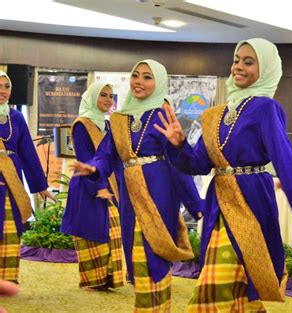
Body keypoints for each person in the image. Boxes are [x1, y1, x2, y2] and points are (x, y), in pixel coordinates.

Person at [154, 38, 292, 312]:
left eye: (249, 62)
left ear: (268, 69)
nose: (238, 66)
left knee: (217, 285)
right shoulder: (215, 115)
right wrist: (178, 145)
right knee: (236, 284)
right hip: (219, 208)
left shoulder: (265, 108)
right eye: (237, 60)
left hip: (250, 203)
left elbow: (285, 160)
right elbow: (199, 163)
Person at [70, 60, 204, 312]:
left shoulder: (162, 112)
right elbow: (106, 153)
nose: (139, 82)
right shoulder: (120, 118)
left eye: (147, 77)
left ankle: (153, 308)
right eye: (135, 75)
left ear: (160, 83)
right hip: (130, 192)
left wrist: (195, 203)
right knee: (135, 255)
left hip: (160, 190)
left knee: (154, 253)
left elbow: (177, 164)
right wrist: (94, 168)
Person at [61, 82, 124, 291]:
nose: (108, 100)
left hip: (107, 184)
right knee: (92, 231)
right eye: (103, 95)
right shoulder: (82, 124)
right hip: (88, 185)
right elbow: (86, 159)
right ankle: (92, 281)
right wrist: (99, 186)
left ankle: (108, 279)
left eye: (110, 96)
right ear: (92, 98)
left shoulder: (108, 126)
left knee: (113, 231)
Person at [0, 71, 55, 284]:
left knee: (12, 231)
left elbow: (28, 154)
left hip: (12, 183)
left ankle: (7, 280)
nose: (2, 91)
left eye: (6, 86)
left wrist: (40, 186)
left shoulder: (17, 117)